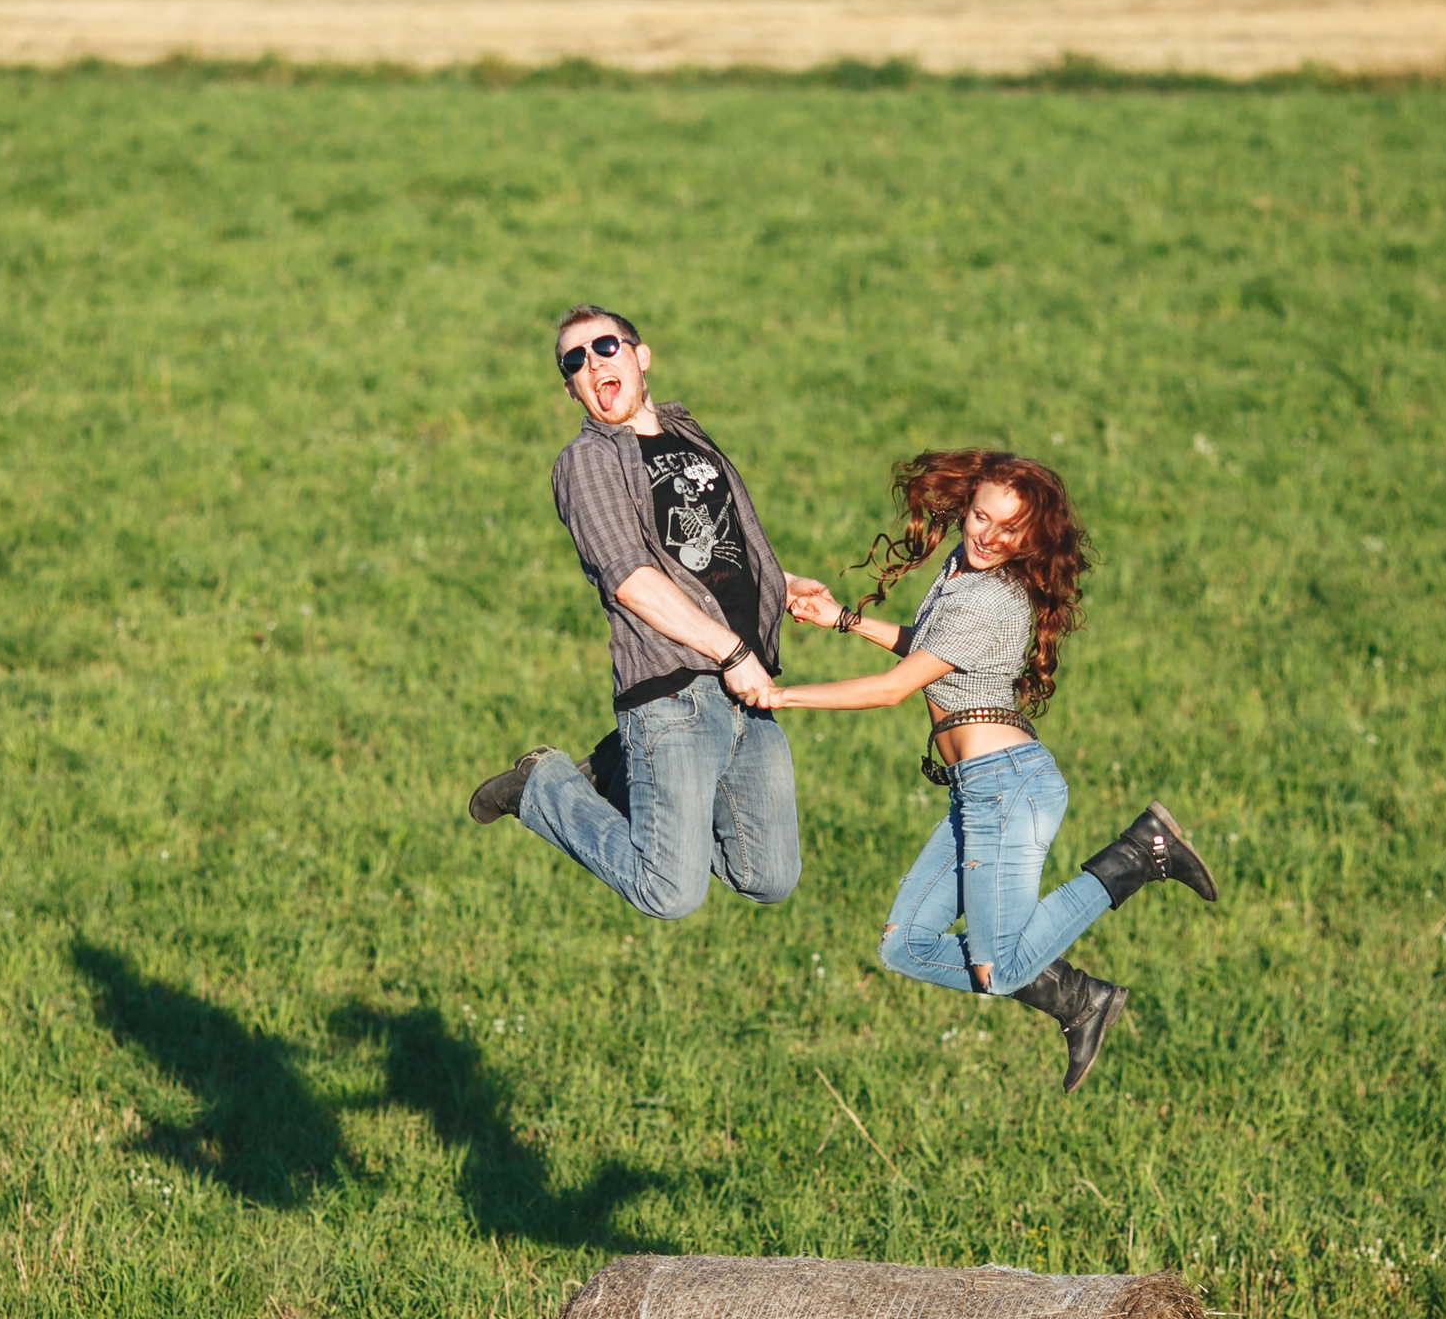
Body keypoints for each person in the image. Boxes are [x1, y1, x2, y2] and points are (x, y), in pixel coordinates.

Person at [754, 450, 1218, 1090]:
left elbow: (894, 689)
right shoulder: (961, 571)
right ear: (966, 505)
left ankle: (1141, 854)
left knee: (997, 969)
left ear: (1031, 538)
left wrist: (780, 696)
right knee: (905, 945)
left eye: (1008, 530)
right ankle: (1080, 998)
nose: (987, 536)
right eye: (979, 516)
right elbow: (926, 646)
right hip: (979, 791)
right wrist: (842, 619)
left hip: (1008, 787)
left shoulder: (994, 597)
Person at [467, 306, 833, 920]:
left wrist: (782, 582)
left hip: (748, 692)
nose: (593, 363)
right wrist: (733, 652)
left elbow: (718, 545)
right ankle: (544, 786)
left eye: (605, 346)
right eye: (574, 360)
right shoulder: (586, 463)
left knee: (769, 876)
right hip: (675, 692)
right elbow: (632, 581)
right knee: (669, 890)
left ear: (640, 356)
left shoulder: (688, 434)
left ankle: (616, 765)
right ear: (570, 387)